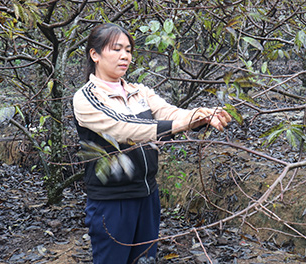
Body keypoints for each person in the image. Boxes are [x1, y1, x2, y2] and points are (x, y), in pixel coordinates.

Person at [73, 23, 231, 264]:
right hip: (112, 202)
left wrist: (201, 115)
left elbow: (170, 112)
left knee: (146, 261)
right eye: (116, 49)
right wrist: (179, 126)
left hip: (147, 195)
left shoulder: (140, 92)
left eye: (128, 49)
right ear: (95, 54)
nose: (125, 56)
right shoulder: (86, 97)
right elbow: (124, 127)